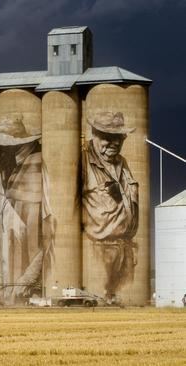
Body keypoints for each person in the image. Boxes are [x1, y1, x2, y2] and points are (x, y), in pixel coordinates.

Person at [0, 114, 55, 305]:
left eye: (3, 145)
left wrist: (27, 279)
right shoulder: (8, 167)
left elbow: (51, 232)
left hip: (28, 280)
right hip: (11, 278)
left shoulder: (38, 164)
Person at [82, 111, 138, 302]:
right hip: (99, 251)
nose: (115, 143)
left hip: (126, 249)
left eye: (119, 137)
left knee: (126, 305)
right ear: (94, 134)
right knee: (96, 302)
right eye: (108, 137)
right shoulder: (82, 162)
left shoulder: (123, 163)